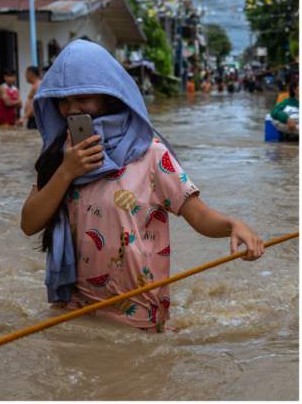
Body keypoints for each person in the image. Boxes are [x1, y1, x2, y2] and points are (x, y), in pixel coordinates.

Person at [20, 40, 264, 333]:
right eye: (63, 101)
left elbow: (197, 215)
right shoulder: (59, 155)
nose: (71, 110)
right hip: (72, 308)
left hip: (136, 312)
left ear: (108, 96)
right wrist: (66, 171)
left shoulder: (151, 154)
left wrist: (233, 225)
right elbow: (29, 223)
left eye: (82, 98)